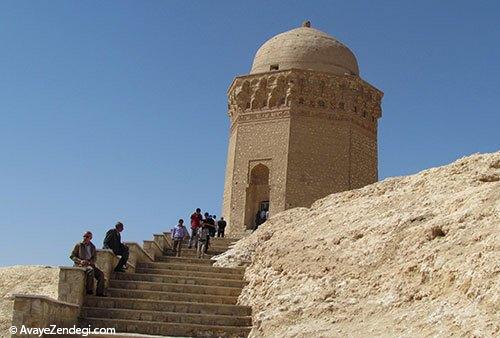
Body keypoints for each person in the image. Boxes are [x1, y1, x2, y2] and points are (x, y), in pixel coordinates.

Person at [70, 231, 105, 296]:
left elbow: (94, 258)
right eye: (84, 236)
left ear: (90, 238)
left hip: (89, 264)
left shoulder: (93, 247)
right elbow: (72, 256)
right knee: (90, 270)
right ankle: (89, 290)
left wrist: (89, 262)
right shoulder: (79, 245)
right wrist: (80, 261)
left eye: (87, 237)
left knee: (101, 274)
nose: (85, 238)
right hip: (80, 264)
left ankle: (99, 292)